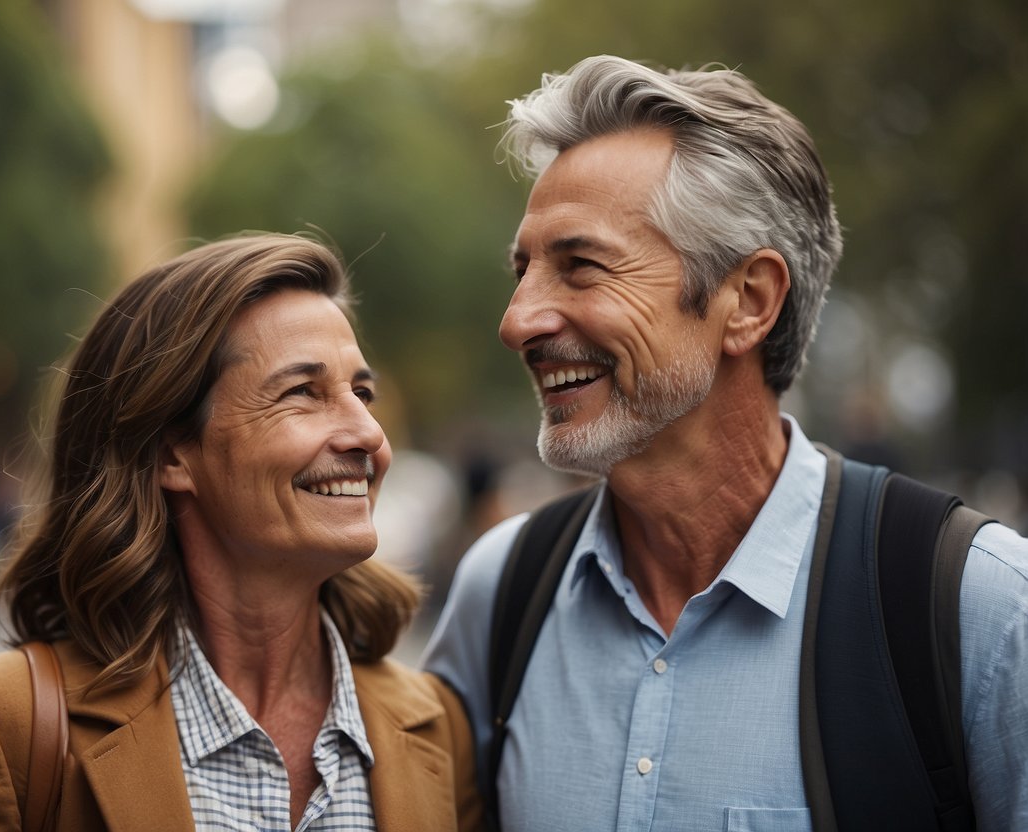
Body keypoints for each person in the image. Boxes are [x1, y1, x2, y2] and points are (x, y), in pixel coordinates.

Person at [422, 56, 1028, 831]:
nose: (517, 321)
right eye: (523, 270)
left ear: (747, 302)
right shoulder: (501, 591)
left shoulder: (975, 610)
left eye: (580, 266)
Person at [0, 233, 483, 831]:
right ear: (172, 453)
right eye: (303, 392)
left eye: (363, 392)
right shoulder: (3, 725)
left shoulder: (438, 727)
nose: (369, 435)